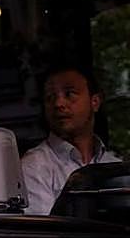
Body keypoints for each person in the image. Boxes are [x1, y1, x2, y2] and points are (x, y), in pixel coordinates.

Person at [21, 65, 121, 215]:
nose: (58, 104)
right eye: (50, 97)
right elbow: (45, 235)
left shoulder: (114, 167)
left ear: (95, 102)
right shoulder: (34, 167)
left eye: (69, 94)